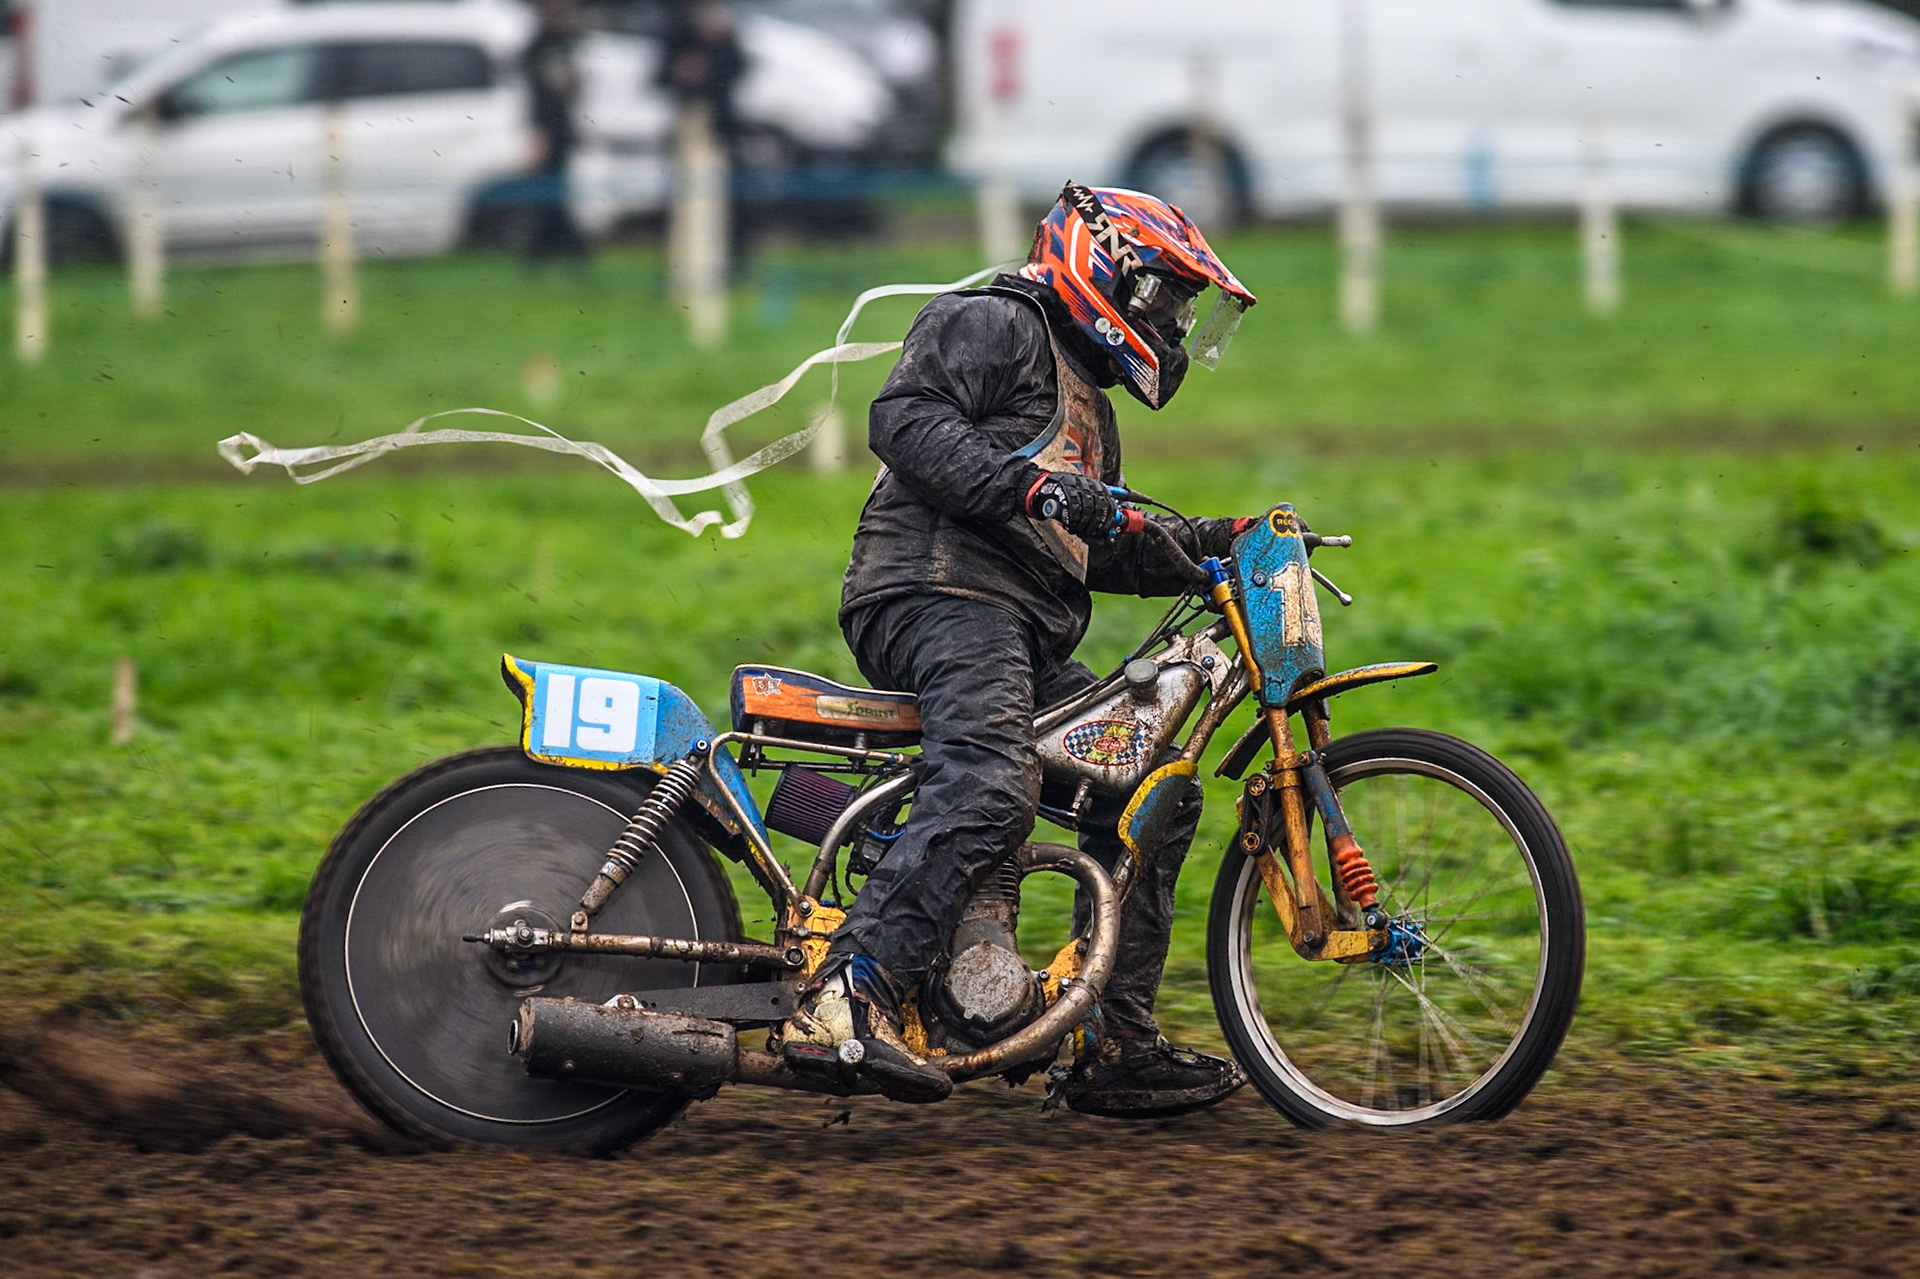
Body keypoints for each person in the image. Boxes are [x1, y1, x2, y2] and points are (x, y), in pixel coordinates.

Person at [781, 182, 1261, 1117]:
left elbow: (1094, 544)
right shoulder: (992, 321)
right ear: (1101, 265)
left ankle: (1110, 1039)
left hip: (1016, 626)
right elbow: (906, 421)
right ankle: (845, 995)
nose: (1166, 326)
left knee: (1154, 782)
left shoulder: (1094, 407)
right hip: (935, 591)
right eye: (1160, 298)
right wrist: (1033, 489)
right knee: (993, 778)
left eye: (1178, 311)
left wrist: (1216, 543)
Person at [520, 0, 590, 262]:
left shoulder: (563, 44)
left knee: (552, 196)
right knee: (550, 196)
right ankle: (571, 252)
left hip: (558, 130)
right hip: (547, 130)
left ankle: (543, 256)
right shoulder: (542, 47)